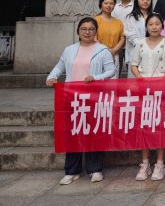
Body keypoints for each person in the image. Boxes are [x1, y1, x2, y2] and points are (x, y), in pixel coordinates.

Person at [46, 17, 115, 185]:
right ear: (78, 31)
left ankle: (95, 169)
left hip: (93, 98)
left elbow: (111, 70)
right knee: (73, 133)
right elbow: (60, 66)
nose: (87, 32)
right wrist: (52, 77)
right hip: (72, 98)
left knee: (93, 133)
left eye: (91, 29)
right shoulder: (69, 50)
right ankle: (72, 171)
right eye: (84, 29)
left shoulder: (102, 50)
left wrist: (95, 77)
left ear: (96, 32)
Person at [130, 13, 165, 181]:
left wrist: (160, 84)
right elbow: (134, 65)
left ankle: (160, 164)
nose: (154, 27)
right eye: (151, 24)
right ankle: (145, 164)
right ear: (146, 27)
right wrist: (141, 80)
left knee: (159, 126)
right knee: (145, 126)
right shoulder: (139, 43)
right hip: (143, 90)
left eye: (157, 24)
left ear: (162, 26)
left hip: (160, 90)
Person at [124, 0, 153, 78]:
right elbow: (130, 35)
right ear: (137, 0)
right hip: (135, 52)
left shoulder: (155, 16)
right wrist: (144, 47)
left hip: (153, 52)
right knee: (135, 81)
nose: (145, 1)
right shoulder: (131, 17)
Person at [95, 0, 125, 78]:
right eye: (106, 3)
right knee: (98, 80)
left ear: (114, 6)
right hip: (98, 54)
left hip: (114, 55)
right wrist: (105, 50)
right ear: (101, 4)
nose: (108, 5)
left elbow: (122, 38)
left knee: (113, 81)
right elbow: (93, 37)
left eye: (111, 3)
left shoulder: (118, 22)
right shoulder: (95, 20)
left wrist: (114, 50)